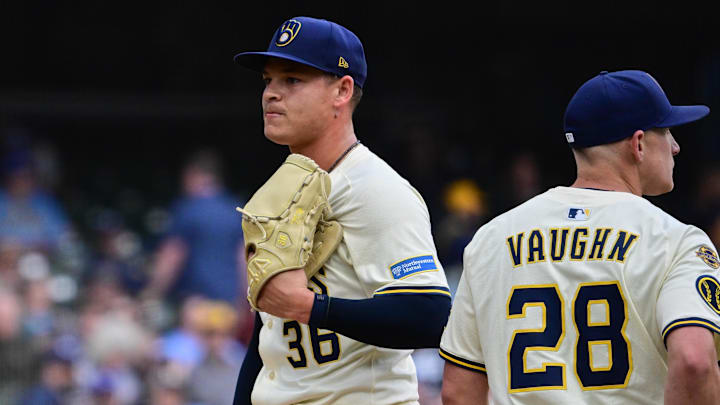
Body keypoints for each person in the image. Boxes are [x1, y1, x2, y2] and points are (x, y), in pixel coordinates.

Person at [439, 70, 720, 405]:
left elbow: (457, 393)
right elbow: (695, 361)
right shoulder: (677, 240)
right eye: (668, 131)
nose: (675, 147)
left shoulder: (491, 238)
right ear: (639, 143)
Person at [231, 16, 451, 405]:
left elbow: (430, 315)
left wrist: (309, 307)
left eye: (292, 80)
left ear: (342, 90)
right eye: (268, 80)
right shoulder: (287, 188)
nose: (271, 93)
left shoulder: (376, 188)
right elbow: (268, 335)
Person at [142, 149, 246, 307]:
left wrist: (152, 293)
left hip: (197, 303)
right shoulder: (236, 210)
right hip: (228, 304)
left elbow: (173, 255)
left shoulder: (188, 209)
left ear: (192, 174)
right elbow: (244, 258)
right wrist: (244, 301)